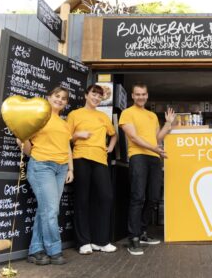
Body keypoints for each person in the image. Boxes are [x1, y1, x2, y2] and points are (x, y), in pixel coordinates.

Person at [17, 87, 74, 265]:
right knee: (51, 211)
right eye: (57, 96)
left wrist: (70, 169)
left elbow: (67, 147)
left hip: (61, 168)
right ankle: (54, 250)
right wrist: (24, 142)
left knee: (46, 210)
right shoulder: (39, 118)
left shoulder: (64, 124)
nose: (60, 100)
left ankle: (35, 251)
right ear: (48, 97)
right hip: (42, 166)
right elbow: (24, 143)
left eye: (64, 98)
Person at [119, 82, 175, 256]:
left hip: (154, 158)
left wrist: (167, 124)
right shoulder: (127, 113)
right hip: (139, 157)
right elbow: (134, 138)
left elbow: (156, 138)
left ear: (147, 95)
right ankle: (133, 237)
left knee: (153, 197)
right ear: (133, 96)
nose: (141, 97)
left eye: (143, 94)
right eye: (137, 94)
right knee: (138, 197)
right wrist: (154, 149)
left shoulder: (151, 116)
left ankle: (142, 232)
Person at [67, 84, 118, 255]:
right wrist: (77, 135)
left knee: (105, 197)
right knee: (82, 199)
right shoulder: (75, 115)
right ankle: (83, 242)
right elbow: (65, 137)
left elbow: (114, 134)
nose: (96, 98)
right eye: (93, 95)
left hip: (100, 160)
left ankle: (101, 241)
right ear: (86, 95)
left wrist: (110, 147)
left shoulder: (103, 117)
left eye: (99, 96)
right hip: (80, 157)